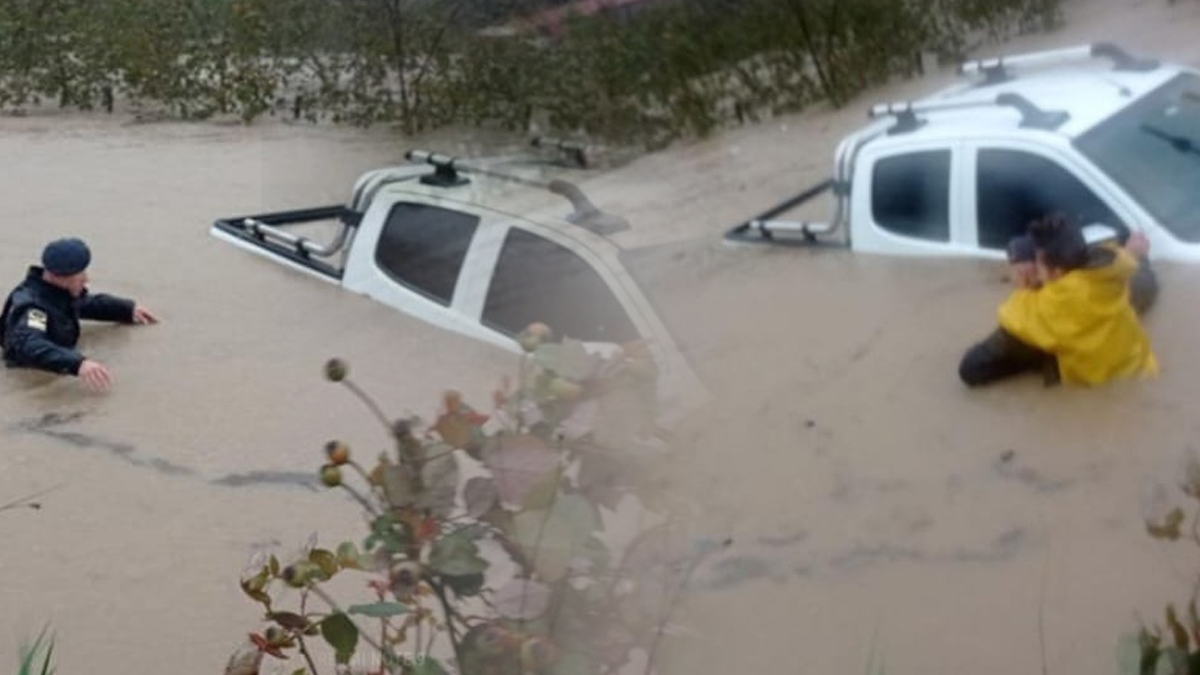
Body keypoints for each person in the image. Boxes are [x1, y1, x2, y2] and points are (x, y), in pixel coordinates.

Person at [958, 214, 1159, 388]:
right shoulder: (1113, 281)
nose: (1036, 268)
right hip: (1140, 373)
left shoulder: (1047, 311)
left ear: (1056, 272)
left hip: (1087, 398)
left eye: (1038, 263)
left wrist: (1026, 289)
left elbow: (972, 368)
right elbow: (1146, 285)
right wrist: (1138, 256)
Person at [1, 237, 158, 392]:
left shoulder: (56, 294)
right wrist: (78, 364)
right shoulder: (33, 309)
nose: (86, 279)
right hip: (28, 380)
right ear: (60, 277)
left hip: (61, 358)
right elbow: (29, 344)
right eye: (80, 274)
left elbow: (86, 304)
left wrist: (126, 309)